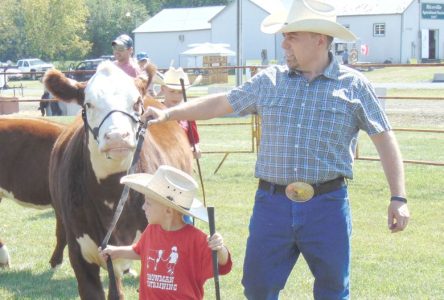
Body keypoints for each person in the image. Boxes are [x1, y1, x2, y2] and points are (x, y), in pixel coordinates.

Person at [142, 0, 410, 299]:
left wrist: (398, 197)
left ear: (319, 40)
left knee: (333, 290)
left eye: (292, 36)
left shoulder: (355, 87)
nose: (283, 44)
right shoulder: (270, 81)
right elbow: (222, 101)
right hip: (272, 205)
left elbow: (384, 138)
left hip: (327, 205)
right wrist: (168, 113)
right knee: (258, 289)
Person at [99, 165, 232, 299]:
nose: (143, 207)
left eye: (148, 203)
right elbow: (141, 251)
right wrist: (116, 252)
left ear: (168, 211)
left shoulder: (196, 239)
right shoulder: (152, 230)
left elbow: (222, 264)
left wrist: (220, 248)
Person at [157, 66, 203, 159]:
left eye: (180, 92)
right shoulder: (155, 112)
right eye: (172, 91)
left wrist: (196, 149)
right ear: (162, 89)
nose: (176, 96)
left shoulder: (188, 114)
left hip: (181, 161)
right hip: (159, 160)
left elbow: (193, 141)